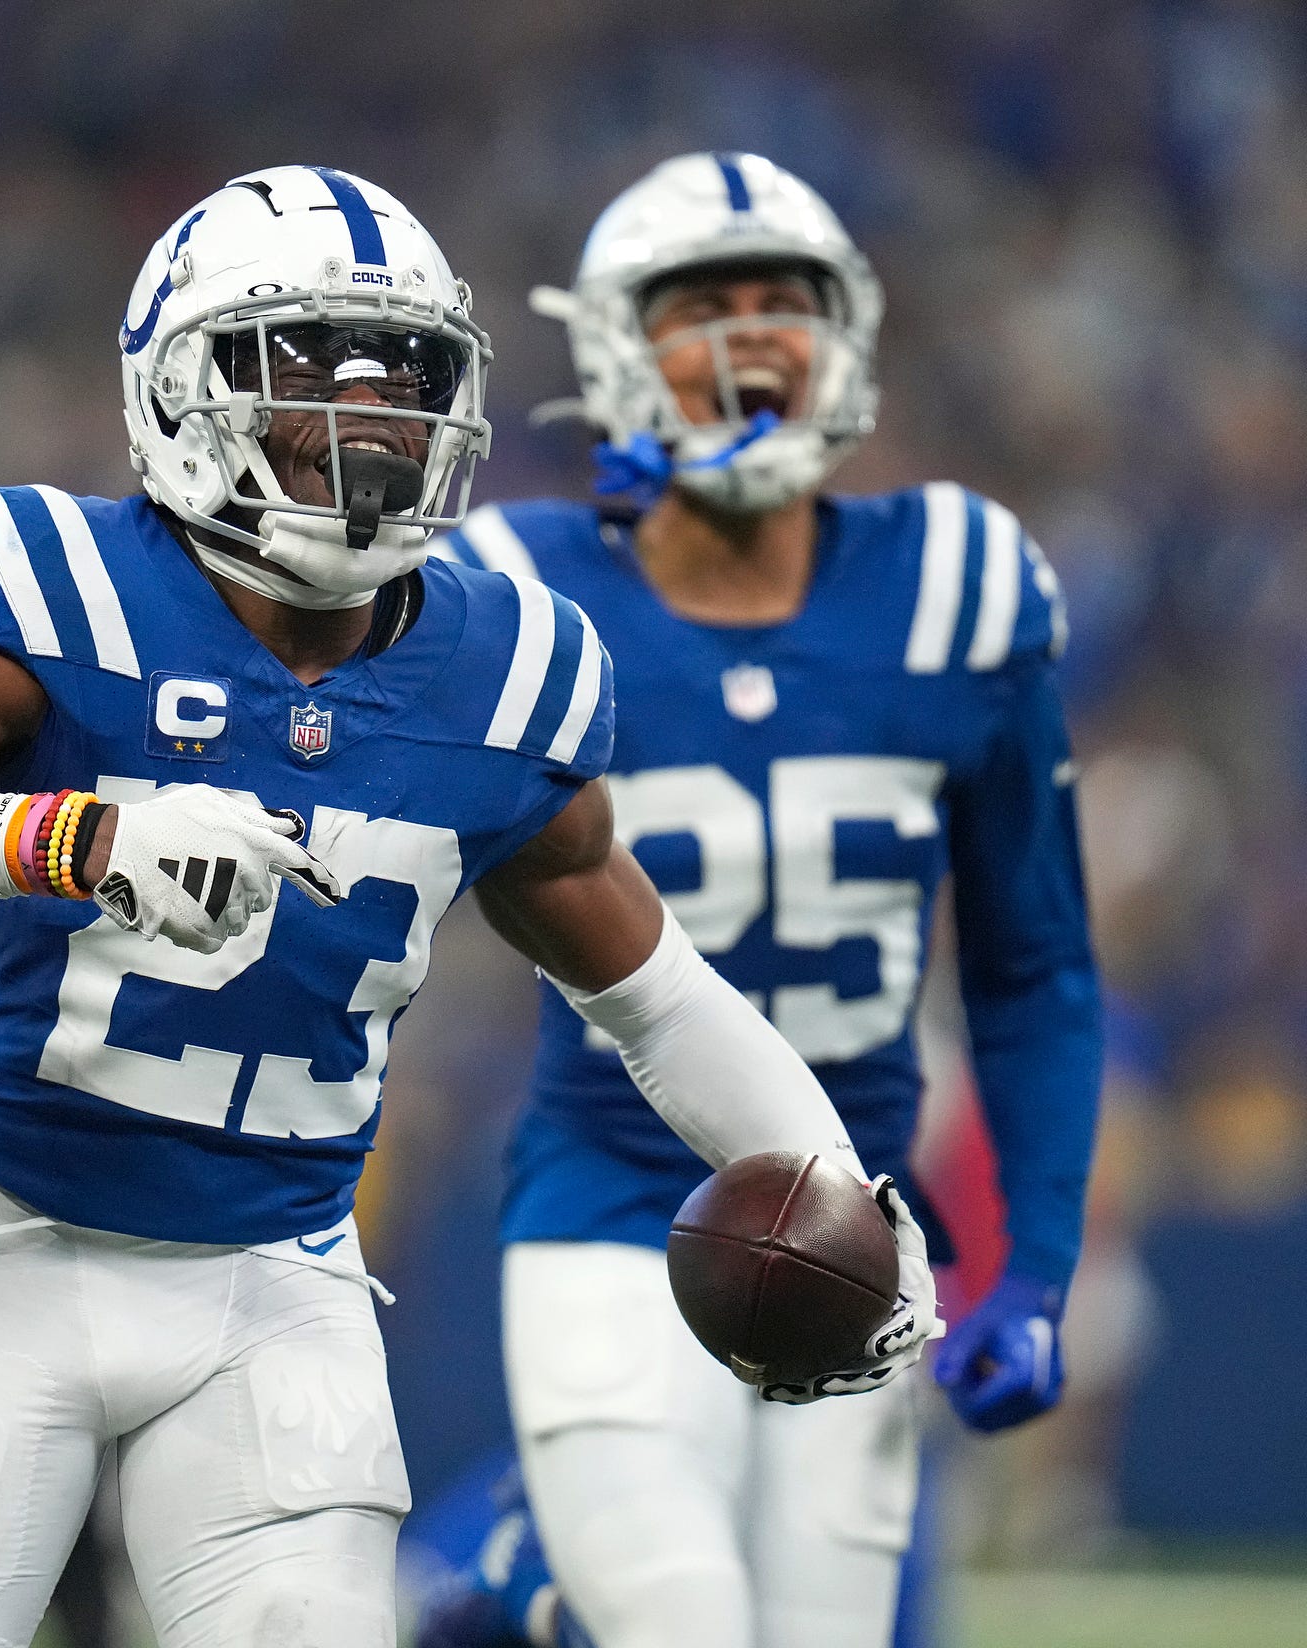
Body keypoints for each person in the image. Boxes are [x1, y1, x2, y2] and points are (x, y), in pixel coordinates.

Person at [0, 163, 939, 1648]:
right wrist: (76, 836)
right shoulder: (57, 578)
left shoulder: (509, 668)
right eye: (309, 366)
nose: (372, 416)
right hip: (5, 1248)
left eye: (409, 377)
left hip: (278, 1278)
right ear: (179, 390)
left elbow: (656, 996)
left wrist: (840, 1189)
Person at [418, 152, 1103, 1648]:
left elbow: (1034, 964)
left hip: (864, 1228)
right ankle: (510, 1584)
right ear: (612, 347)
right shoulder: (518, 591)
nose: (746, 339)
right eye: (700, 305)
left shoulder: (960, 584)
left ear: (844, 334)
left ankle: (511, 1597)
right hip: (609, 1204)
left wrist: (1035, 1264)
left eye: (779, 301)